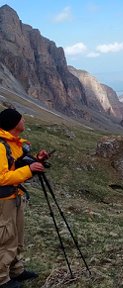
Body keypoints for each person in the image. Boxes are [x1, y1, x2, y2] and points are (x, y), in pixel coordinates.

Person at [0, 108, 49, 288]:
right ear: (14, 124)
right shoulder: (0, 145)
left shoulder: (11, 143)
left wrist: (36, 160)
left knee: (17, 236)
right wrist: (30, 170)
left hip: (14, 196)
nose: (24, 120)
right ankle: (2, 279)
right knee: (5, 238)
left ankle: (16, 270)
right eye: (21, 118)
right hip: (3, 200)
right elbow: (1, 176)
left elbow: (16, 165)